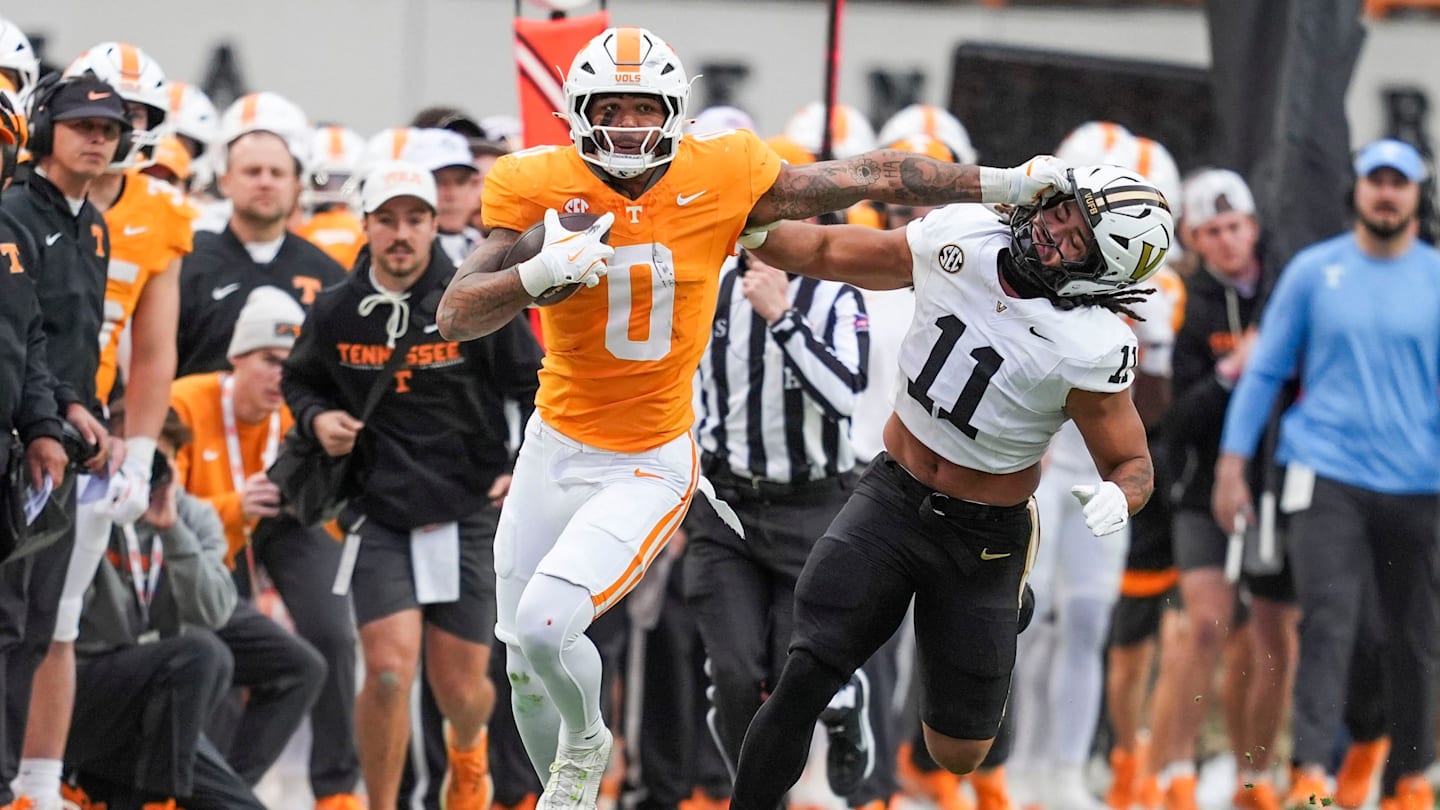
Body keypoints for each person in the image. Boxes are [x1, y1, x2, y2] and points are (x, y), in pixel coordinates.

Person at [435, 25, 1071, 810]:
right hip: (553, 441)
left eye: (644, 106)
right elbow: (455, 313)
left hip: (648, 457)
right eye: (613, 105)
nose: (630, 123)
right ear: (578, 110)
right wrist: (534, 273)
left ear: (675, 112)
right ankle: (562, 790)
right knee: (525, 667)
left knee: (545, 626)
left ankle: (587, 757)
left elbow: (868, 172)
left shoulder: (723, 171)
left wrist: (1008, 184)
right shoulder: (535, 183)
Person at [721, 161, 1173, 810]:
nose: (1052, 233)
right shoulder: (961, 238)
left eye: (1076, 240)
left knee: (956, 752)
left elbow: (1133, 464)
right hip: (891, 495)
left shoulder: (1091, 344)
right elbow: (824, 248)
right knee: (807, 673)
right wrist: (746, 225)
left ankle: (1008, 598)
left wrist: (1118, 497)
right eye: (1061, 212)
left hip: (982, 537)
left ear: (1099, 273)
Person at [283, 159, 543, 810]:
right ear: (365, 225)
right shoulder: (338, 308)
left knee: (462, 691)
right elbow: (300, 380)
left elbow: (537, 386)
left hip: (468, 505)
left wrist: (521, 468)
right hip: (380, 511)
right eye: (388, 220)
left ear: (435, 225)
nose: (402, 234)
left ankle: (466, 750)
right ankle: (383, 803)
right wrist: (320, 419)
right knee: (391, 673)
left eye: (416, 219)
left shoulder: (468, 298)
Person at [1213, 138, 1440, 810]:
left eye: (1400, 183)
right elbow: (1266, 372)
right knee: (1328, 621)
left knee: (1407, 635)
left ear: (1418, 195)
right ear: (1359, 191)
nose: (1387, 194)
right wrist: (1232, 464)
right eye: (1377, 181)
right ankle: (1309, 769)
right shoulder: (1316, 272)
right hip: (1326, 473)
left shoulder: (1435, 275)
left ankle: (1408, 776)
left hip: (1420, 480)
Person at [22, 45, 199, 809]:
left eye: (126, 117)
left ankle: (37, 777)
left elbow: (152, 351)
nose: (112, 129)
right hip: (31, 414)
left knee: (55, 618)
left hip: (86, 432)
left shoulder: (155, 215)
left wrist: (141, 448)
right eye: (96, 115)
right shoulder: (26, 198)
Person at [685, 247, 877, 798]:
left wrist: (782, 318)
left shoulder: (836, 291)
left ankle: (843, 702)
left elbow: (844, 397)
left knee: (799, 678)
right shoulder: (708, 282)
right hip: (726, 506)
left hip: (812, 505)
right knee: (734, 676)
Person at [1142, 168, 1298, 810]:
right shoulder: (1187, 302)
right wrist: (1234, 370)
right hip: (1205, 483)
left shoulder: (1292, 288)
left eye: (1236, 227)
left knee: (1274, 633)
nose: (1229, 241)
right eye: (1214, 230)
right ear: (1193, 239)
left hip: (1284, 484)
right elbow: (1170, 417)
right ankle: (1170, 770)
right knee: (1204, 621)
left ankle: (1253, 776)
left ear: (1254, 227)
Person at [169, 287, 355, 807]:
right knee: (222, 656)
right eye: (269, 361)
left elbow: (330, 510)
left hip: (285, 522)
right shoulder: (186, 400)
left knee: (334, 636)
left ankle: (338, 788)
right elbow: (169, 516)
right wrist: (233, 506)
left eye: (290, 363)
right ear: (236, 359)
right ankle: (212, 785)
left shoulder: (302, 412)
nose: (280, 375)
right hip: (215, 531)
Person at [1, 71, 131, 810]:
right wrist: (62, 413)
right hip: (30, 432)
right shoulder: (16, 211)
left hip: (66, 434)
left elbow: (81, 341)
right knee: (12, 619)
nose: (96, 137)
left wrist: (96, 416)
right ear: (44, 127)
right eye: (82, 124)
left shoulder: (96, 221)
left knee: (44, 620)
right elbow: (27, 337)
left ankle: (29, 783)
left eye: (109, 128)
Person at [64, 409, 264, 810]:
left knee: (242, 805)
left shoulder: (192, 515)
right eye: (138, 459)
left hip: (147, 703)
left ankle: (125, 793)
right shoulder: (81, 503)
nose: (147, 473)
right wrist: (102, 513)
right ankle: (156, 800)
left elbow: (215, 614)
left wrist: (171, 531)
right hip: (79, 686)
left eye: (161, 461)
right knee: (202, 654)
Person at [176, 91, 345, 377]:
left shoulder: (330, 276)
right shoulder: (184, 261)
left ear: (297, 184)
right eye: (252, 172)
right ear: (225, 180)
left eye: (277, 173)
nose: (265, 183)